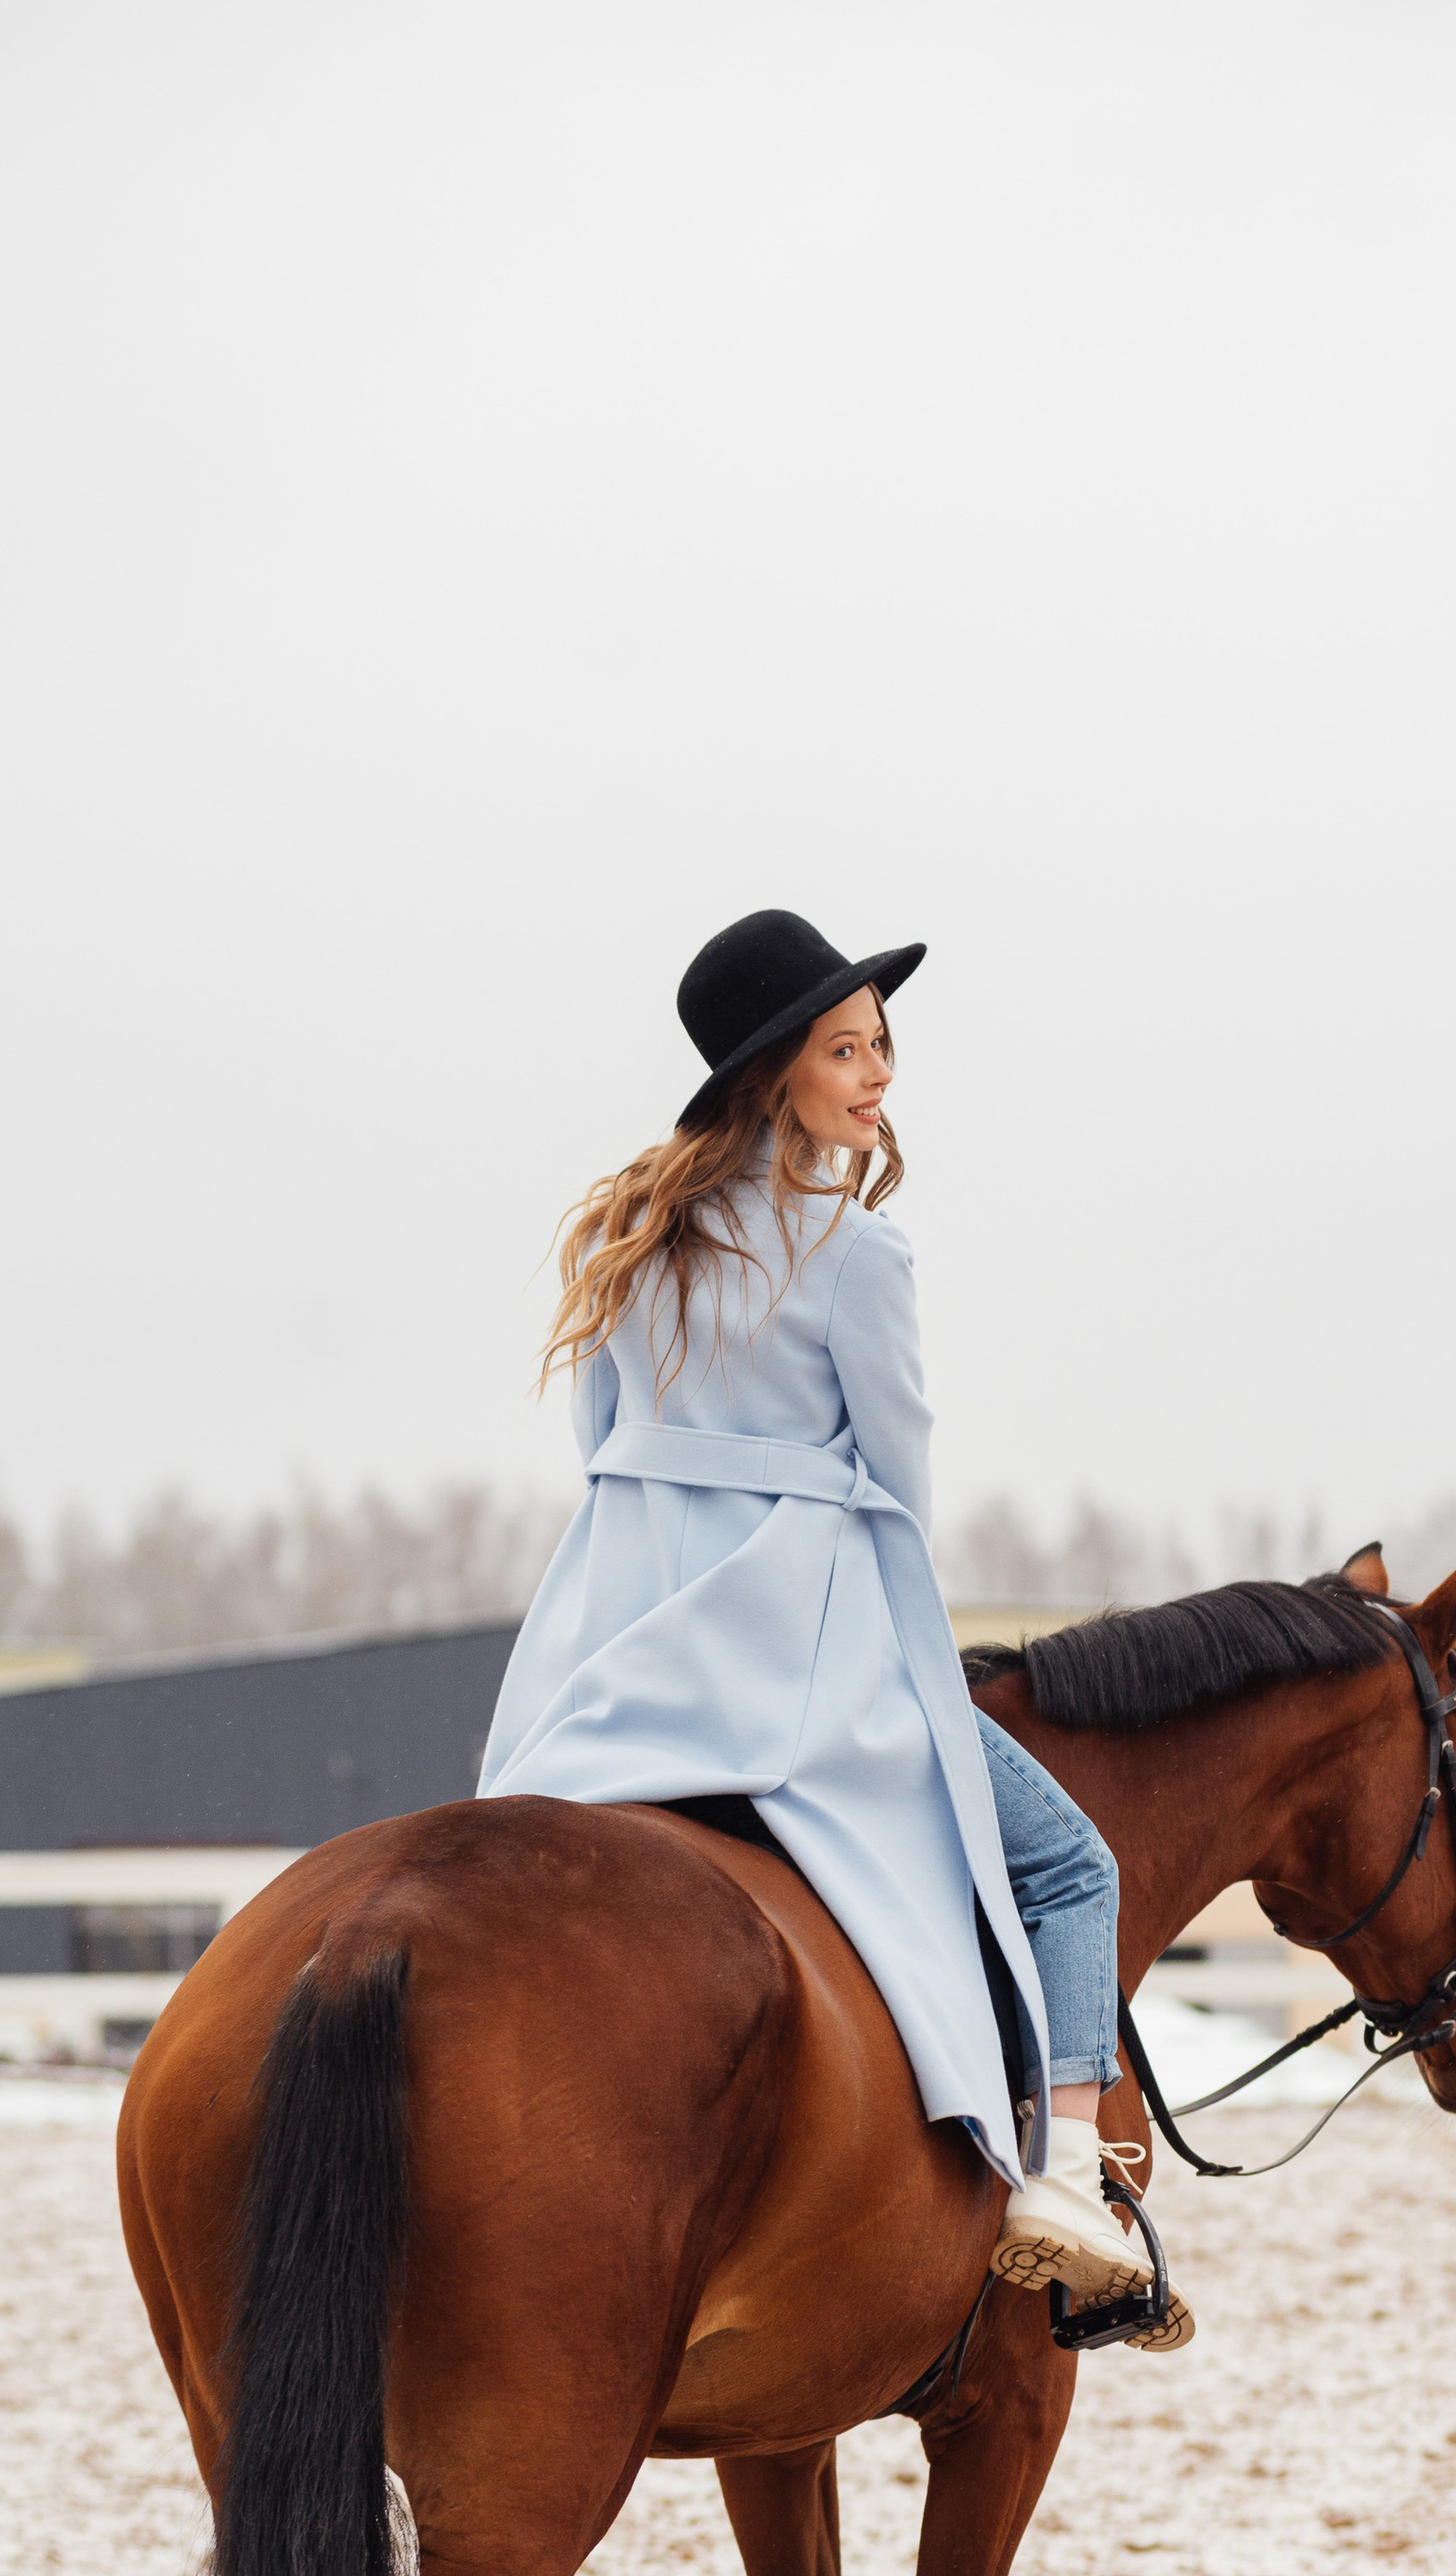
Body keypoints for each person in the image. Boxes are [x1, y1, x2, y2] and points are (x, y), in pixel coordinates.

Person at [478, 908, 1189, 2352]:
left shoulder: (633, 1241)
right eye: (848, 1051)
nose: (877, 1080)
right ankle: (1062, 2185)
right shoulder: (859, 1257)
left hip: (613, 1663)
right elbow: (902, 1491)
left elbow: (603, 1447)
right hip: (797, 1663)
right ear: (774, 1076)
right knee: (1068, 1861)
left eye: (882, 1051)